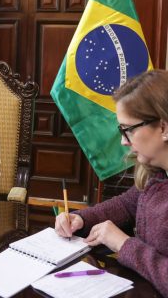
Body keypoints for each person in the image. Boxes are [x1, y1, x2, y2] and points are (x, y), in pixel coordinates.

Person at [55, 69, 168, 297]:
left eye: (128, 130)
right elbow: (128, 205)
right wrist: (81, 219)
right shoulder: (156, 174)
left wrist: (124, 244)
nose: (123, 142)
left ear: (164, 128)